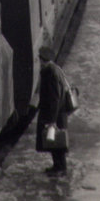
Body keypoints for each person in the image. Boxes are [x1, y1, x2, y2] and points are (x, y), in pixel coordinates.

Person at [36, 45, 70, 176]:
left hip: (54, 114)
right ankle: (58, 166)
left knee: (57, 142)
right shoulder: (55, 69)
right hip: (56, 113)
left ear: (42, 59)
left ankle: (60, 168)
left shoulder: (50, 73)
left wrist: (52, 120)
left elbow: (55, 98)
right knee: (55, 142)